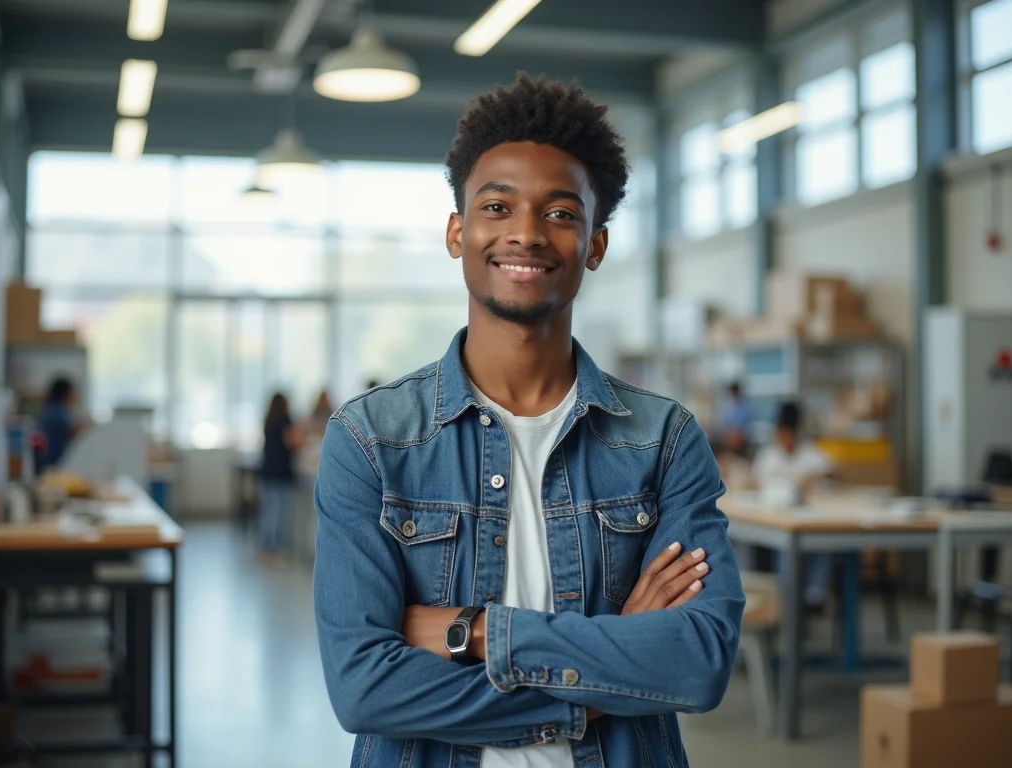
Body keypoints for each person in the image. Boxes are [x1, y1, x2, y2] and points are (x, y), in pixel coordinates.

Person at [313, 74, 744, 767]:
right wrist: (604, 671)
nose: (525, 233)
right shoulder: (372, 442)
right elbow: (363, 687)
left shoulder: (662, 441)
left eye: (561, 213)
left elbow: (697, 662)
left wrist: (475, 631)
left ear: (596, 245)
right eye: (496, 206)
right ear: (459, 232)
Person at [753, 401, 836, 609]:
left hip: (807, 522)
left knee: (823, 543)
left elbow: (834, 474)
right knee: (785, 548)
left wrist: (815, 478)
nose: (786, 439)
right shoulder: (768, 456)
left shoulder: (811, 454)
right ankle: (786, 599)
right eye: (782, 433)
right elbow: (754, 482)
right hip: (773, 522)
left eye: (790, 434)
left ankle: (813, 596)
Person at [258, 393, 303, 562]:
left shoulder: (268, 420)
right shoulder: (285, 420)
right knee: (279, 514)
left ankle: (265, 548)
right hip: (281, 475)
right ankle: (277, 550)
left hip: (267, 472)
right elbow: (293, 443)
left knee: (268, 512)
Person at [35, 376, 82, 473]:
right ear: (67, 393)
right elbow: (70, 431)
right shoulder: (58, 412)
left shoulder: (48, 409)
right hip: (50, 465)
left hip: (44, 463)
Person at [718, 381, 751, 457]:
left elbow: (743, 424)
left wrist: (735, 433)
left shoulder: (744, 406)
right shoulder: (728, 405)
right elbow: (725, 423)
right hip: (729, 435)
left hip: (740, 436)